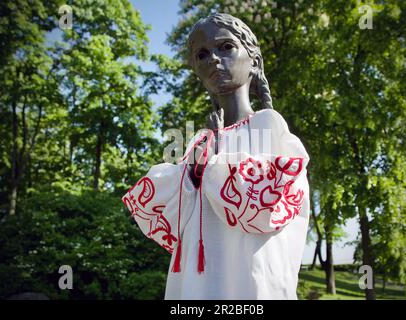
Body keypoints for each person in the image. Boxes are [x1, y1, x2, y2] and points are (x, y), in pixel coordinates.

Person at [122, 13, 310, 300]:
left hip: (249, 278)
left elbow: (268, 205)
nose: (212, 58)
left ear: (255, 62)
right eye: (202, 54)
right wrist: (193, 171)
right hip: (197, 283)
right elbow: (173, 218)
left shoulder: (268, 125)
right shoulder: (199, 140)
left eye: (225, 47)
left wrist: (214, 163)